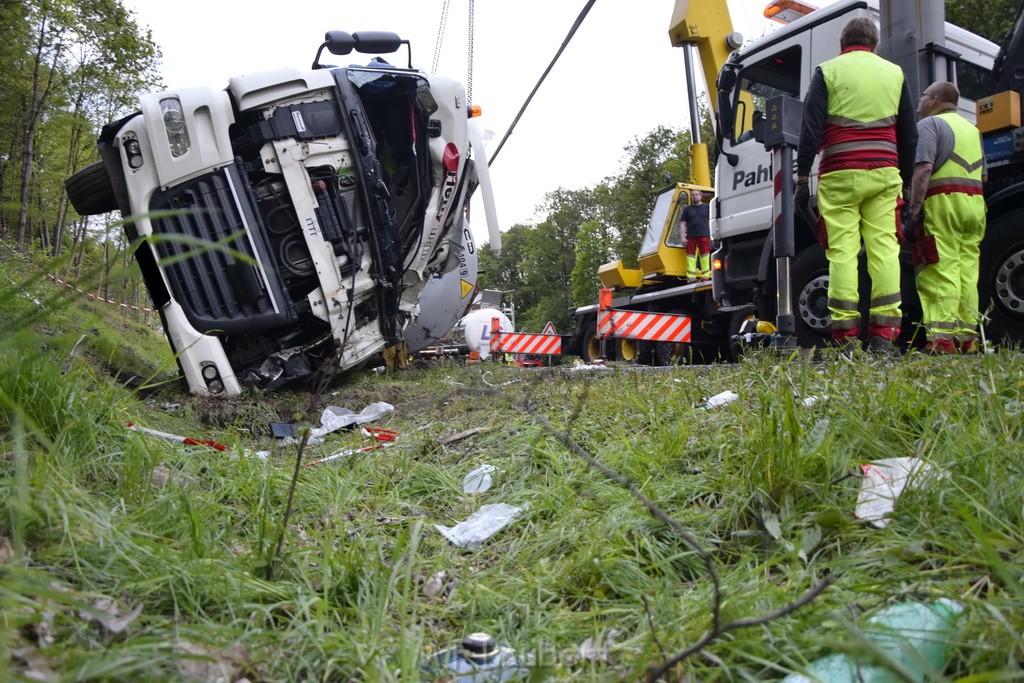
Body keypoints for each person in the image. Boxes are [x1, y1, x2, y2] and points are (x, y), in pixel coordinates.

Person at [796, 17, 918, 353]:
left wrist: (802, 177)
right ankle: (884, 336)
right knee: (884, 251)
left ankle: (845, 337)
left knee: (843, 254)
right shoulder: (894, 74)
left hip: (839, 173)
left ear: (842, 44)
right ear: (874, 44)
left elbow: (810, 129)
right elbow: (909, 134)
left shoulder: (828, 71)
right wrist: (906, 183)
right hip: (884, 174)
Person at [905, 81, 987, 354]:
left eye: (923, 95)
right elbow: (984, 175)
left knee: (939, 269)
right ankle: (966, 339)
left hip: (943, 203)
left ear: (935, 99)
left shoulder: (930, 125)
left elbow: (924, 169)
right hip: (975, 204)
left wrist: (914, 212)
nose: (919, 101)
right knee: (967, 271)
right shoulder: (973, 130)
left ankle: (940, 341)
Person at [680, 189, 711, 281]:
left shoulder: (707, 207)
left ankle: (705, 277)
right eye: (693, 195)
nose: (694, 196)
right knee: (690, 258)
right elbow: (683, 224)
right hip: (690, 237)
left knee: (705, 257)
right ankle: (691, 278)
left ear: (701, 196)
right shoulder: (687, 209)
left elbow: (713, 220)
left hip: (704, 235)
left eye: (696, 194)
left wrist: (713, 235)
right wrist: (682, 237)